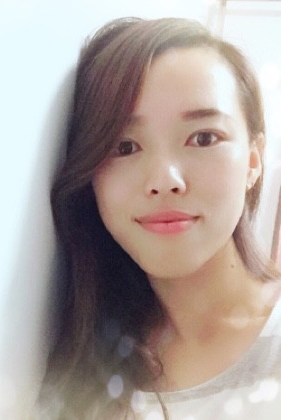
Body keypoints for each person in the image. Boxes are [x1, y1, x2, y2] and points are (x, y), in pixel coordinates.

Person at [36, 17, 281, 419]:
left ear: (253, 161)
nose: (165, 180)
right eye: (125, 147)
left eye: (204, 138)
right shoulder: (76, 370)